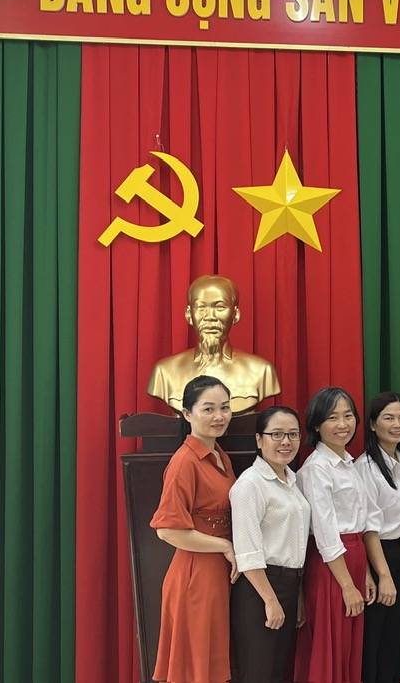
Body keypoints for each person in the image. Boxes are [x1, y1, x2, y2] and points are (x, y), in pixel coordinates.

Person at [150, 375, 239, 683]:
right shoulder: (184, 462)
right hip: (196, 577)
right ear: (187, 414)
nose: (219, 416)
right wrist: (225, 546)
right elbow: (167, 530)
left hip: (216, 573)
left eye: (225, 408)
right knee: (198, 670)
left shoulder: (219, 455)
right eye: (208, 409)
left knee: (213, 665)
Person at [295, 387, 380, 683]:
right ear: (317, 424)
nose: (343, 424)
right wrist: (347, 585)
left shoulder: (348, 463)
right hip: (331, 566)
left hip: (354, 559)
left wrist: (365, 573)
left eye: (348, 416)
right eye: (332, 418)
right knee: (329, 645)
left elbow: (360, 523)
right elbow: (326, 533)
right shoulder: (316, 469)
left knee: (347, 649)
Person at [229, 406, 312, 683]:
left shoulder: (292, 479)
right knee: (257, 672)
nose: (285, 441)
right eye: (276, 434)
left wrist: (297, 594)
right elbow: (247, 552)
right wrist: (271, 600)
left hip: (289, 584)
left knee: (276, 673)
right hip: (259, 589)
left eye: (293, 434)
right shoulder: (250, 484)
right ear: (259, 439)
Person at [147, 274, 280, 414]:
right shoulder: (164, 371)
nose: (210, 316)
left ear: (235, 315)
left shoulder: (261, 371)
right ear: (189, 315)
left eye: (220, 307)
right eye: (201, 307)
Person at [356, 392, 400, 683]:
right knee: (374, 641)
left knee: (392, 639)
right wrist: (383, 575)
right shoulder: (367, 466)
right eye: (388, 418)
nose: (397, 424)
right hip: (379, 556)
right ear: (372, 424)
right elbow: (368, 527)